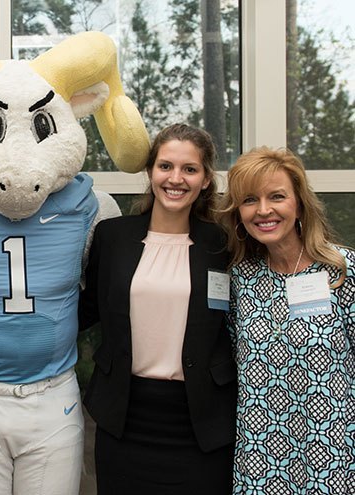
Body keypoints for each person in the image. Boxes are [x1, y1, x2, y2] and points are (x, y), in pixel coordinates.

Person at [80, 123, 237, 494]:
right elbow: (85, 309)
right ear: (150, 172)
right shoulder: (112, 237)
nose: (175, 179)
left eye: (189, 169)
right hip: (124, 417)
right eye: (165, 166)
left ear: (205, 180)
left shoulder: (225, 243)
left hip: (200, 421)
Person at [218, 147, 354, 494]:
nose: (263, 210)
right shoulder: (240, 279)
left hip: (333, 456)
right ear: (239, 213)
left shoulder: (341, 272)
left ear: (299, 204)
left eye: (276, 196)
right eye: (250, 200)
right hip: (260, 458)